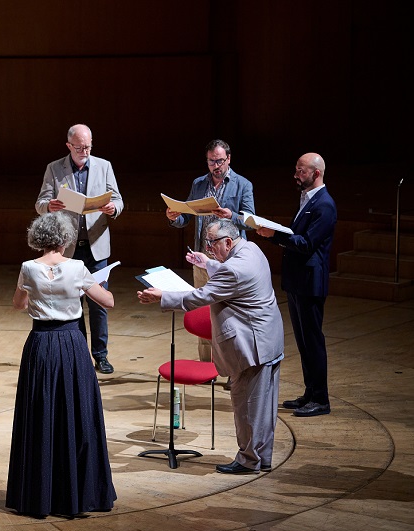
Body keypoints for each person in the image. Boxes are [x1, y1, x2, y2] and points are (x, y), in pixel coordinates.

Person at [138, 219, 284, 474]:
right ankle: (263, 457)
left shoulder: (233, 271)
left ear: (228, 242)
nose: (207, 248)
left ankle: (249, 461)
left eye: (212, 243)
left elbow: (201, 296)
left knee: (247, 407)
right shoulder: (251, 249)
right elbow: (231, 272)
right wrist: (208, 263)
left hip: (251, 346)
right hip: (268, 339)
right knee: (264, 407)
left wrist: (162, 297)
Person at [7, 212, 116, 517]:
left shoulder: (28, 268)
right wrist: (99, 283)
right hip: (71, 344)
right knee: (77, 411)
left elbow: (19, 304)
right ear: (65, 239)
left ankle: (40, 493)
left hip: (40, 344)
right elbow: (106, 301)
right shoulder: (79, 268)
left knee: (40, 412)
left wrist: (38, 297)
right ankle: (77, 492)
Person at [35, 124, 123, 375]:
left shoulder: (104, 166)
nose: (84, 151)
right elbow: (40, 202)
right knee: (72, 304)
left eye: (88, 146)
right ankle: (79, 354)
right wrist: (49, 206)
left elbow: (118, 199)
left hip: (96, 246)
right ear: (68, 146)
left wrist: (112, 209)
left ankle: (101, 355)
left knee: (98, 303)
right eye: (79, 147)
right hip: (68, 247)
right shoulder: (54, 168)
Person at [256, 153, 337, 417]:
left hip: (310, 283)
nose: (295, 174)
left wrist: (274, 235)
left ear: (316, 173)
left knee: (313, 341)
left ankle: (321, 400)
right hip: (297, 281)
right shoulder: (308, 199)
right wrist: (276, 235)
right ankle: (310, 393)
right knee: (303, 341)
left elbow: (306, 244)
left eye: (300, 171)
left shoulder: (325, 205)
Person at [166, 139, 255, 365]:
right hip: (203, 258)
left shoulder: (242, 184)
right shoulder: (199, 184)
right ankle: (207, 366)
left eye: (220, 161)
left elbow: (251, 222)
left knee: (230, 314)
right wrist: (175, 217)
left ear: (229, 159)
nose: (216, 166)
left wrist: (231, 216)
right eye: (211, 161)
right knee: (203, 312)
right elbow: (188, 215)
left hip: (229, 259)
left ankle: (233, 367)